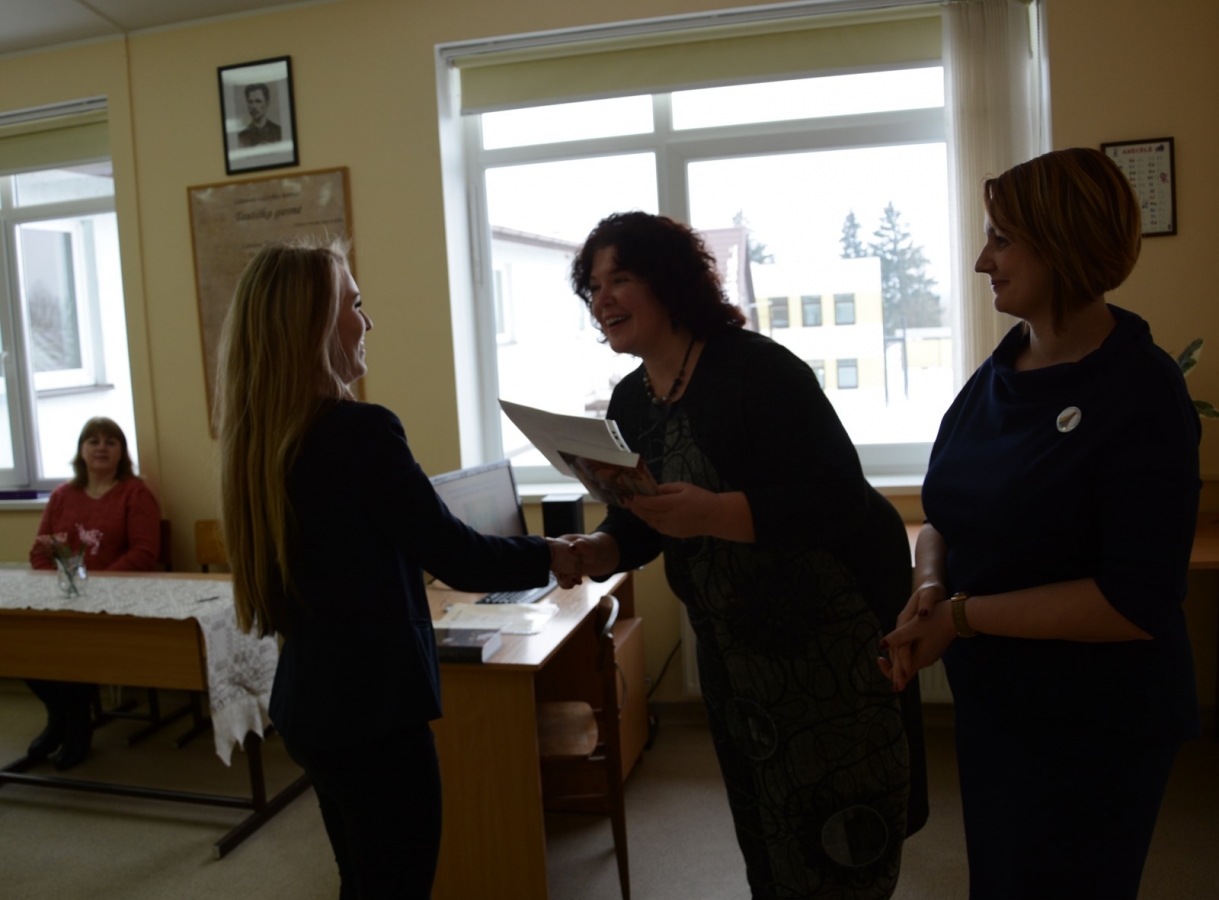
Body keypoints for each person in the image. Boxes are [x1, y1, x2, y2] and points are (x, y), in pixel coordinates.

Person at [564, 211, 924, 899]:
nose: (601, 299)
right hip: (733, 650)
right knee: (765, 828)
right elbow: (642, 519)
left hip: (825, 643)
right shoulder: (630, 399)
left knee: (838, 836)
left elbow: (838, 497)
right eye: (593, 286)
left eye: (621, 279)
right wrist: (598, 547)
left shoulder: (756, 369)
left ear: (670, 283)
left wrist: (716, 512)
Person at [879, 148, 1201, 900]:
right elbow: (945, 514)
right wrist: (930, 586)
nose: (980, 262)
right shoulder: (998, 374)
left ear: (1062, 243)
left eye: (1000, 239)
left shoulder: (1142, 391)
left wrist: (961, 617)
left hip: (1096, 723)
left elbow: (1133, 602)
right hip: (999, 710)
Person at [214, 238, 577, 899]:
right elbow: (458, 555)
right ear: (314, 323)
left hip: (311, 706)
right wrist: (558, 553)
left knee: (363, 880)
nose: (369, 321)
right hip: (372, 715)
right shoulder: (358, 431)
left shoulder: (263, 440)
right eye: (355, 305)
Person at [27, 416, 162, 770]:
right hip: (62, 598)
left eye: (110, 442)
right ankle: (59, 717)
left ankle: (77, 725)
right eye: (93, 441)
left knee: (75, 643)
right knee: (23, 641)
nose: (101, 447)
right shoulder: (62, 496)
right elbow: (40, 550)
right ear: (81, 451)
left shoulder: (135, 494)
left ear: (122, 453)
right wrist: (58, 585)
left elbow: (144, 553)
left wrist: (95, 584)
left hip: (114, 599)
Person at [237, 83, 281, 147]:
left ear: (267, 103)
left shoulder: (278, 132)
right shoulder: (242, 137)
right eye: (250, 102)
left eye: (258, 101)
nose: (254, 106)